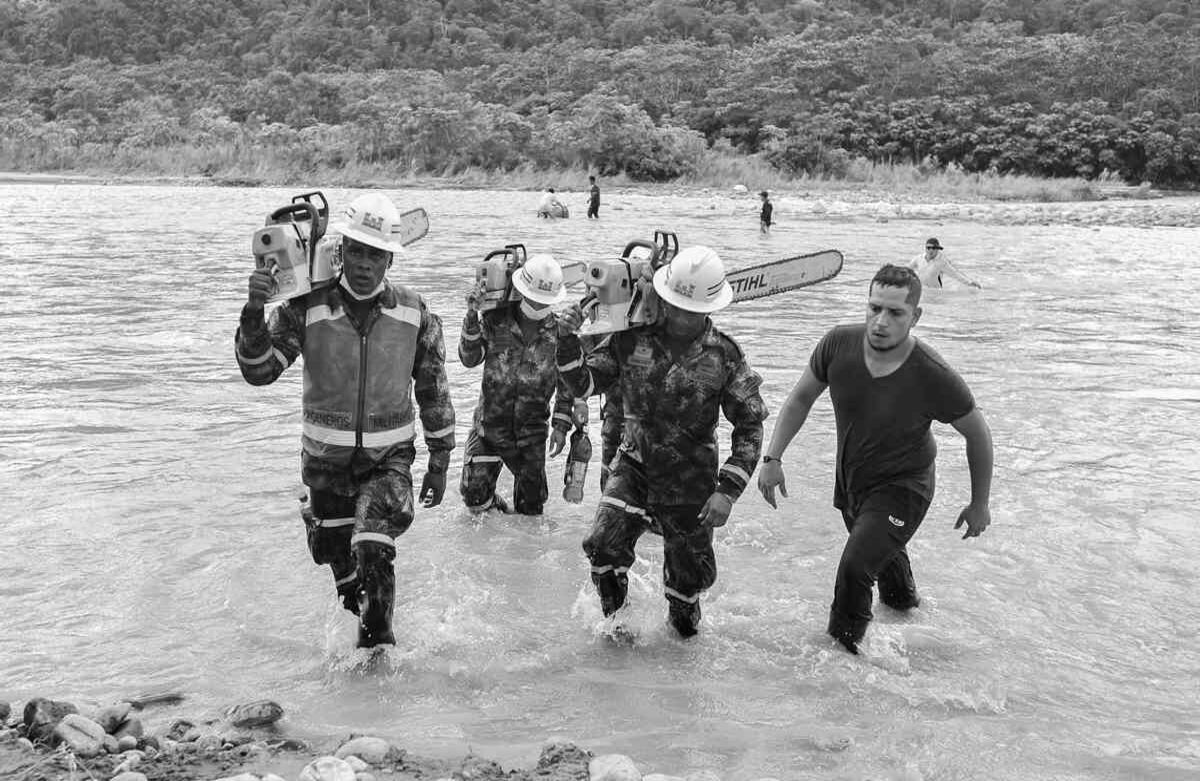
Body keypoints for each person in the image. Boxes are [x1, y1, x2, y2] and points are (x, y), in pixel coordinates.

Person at [235, 192, 455, 649]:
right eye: (356, 250)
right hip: (324, 463)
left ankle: (380, 665)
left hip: (388, 461)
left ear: (390, 258)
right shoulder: (306, 307)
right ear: (341, 250)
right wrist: (254, 310)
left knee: (374, 549)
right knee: (347, 584)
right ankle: (320, 528)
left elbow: (434, 389)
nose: (364, 264)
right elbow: (259, 371)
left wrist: (439, 459)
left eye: (375, 254)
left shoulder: (414, 312)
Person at [756, 264, 993, 655]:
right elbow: (801, 398)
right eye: (874, 308)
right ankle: (914, 618)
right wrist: (773, 456)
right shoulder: (837, 344)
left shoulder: (932, 373)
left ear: (915, 317)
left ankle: (841, 657)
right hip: (853, 482)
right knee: (887, 575)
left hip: (906, 486)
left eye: (895, 312)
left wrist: (979, 502)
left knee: (855, 567)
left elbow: (978, 433)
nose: (881, 321)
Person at [556, 246, 768, 638]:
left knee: (685, 598)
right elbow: (584, 384)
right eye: (676, 305)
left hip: (692, 483)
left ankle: (682, 653)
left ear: (711, 308)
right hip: (634, 467)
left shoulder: (724, 355)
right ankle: (617, 630)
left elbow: (750, 427)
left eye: (693, 309)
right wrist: (568, 340)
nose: (682, 316)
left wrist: (728, 491)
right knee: (602, 546)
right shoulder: (630, 339)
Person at [459, 253, 574, 515]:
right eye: (532, 297)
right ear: (521, 290)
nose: (536, 303)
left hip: (531, 433)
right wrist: (471, 314)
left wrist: (561, 425)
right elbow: (468, 358)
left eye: (543, 300)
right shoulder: (495, 320)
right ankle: (496, 521)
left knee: (530, 512)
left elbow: (568, 382)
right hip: (488, 427)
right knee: (474, 500)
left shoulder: (558, 333)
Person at [907, 237, 982, 289]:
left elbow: (955, 274)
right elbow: (906, 270)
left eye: (933, 248)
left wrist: (970, 283)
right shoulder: (918, 258)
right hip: (922, 291)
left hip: (935, 293)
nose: (931, 250)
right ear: (925, 248)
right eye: (928, 248)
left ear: (938, 249)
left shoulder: (941, 262)